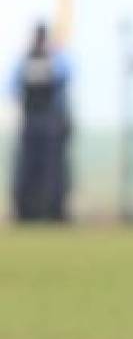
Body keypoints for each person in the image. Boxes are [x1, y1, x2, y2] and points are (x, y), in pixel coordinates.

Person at [11, 22, 72, 223]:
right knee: (28, 169)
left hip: (50, 121)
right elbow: (13, 86)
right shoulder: (25, 59)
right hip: (32, 121)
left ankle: (54, 211)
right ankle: (26, 211)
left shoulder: (56, 59)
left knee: (52, 171)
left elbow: (66, 77)